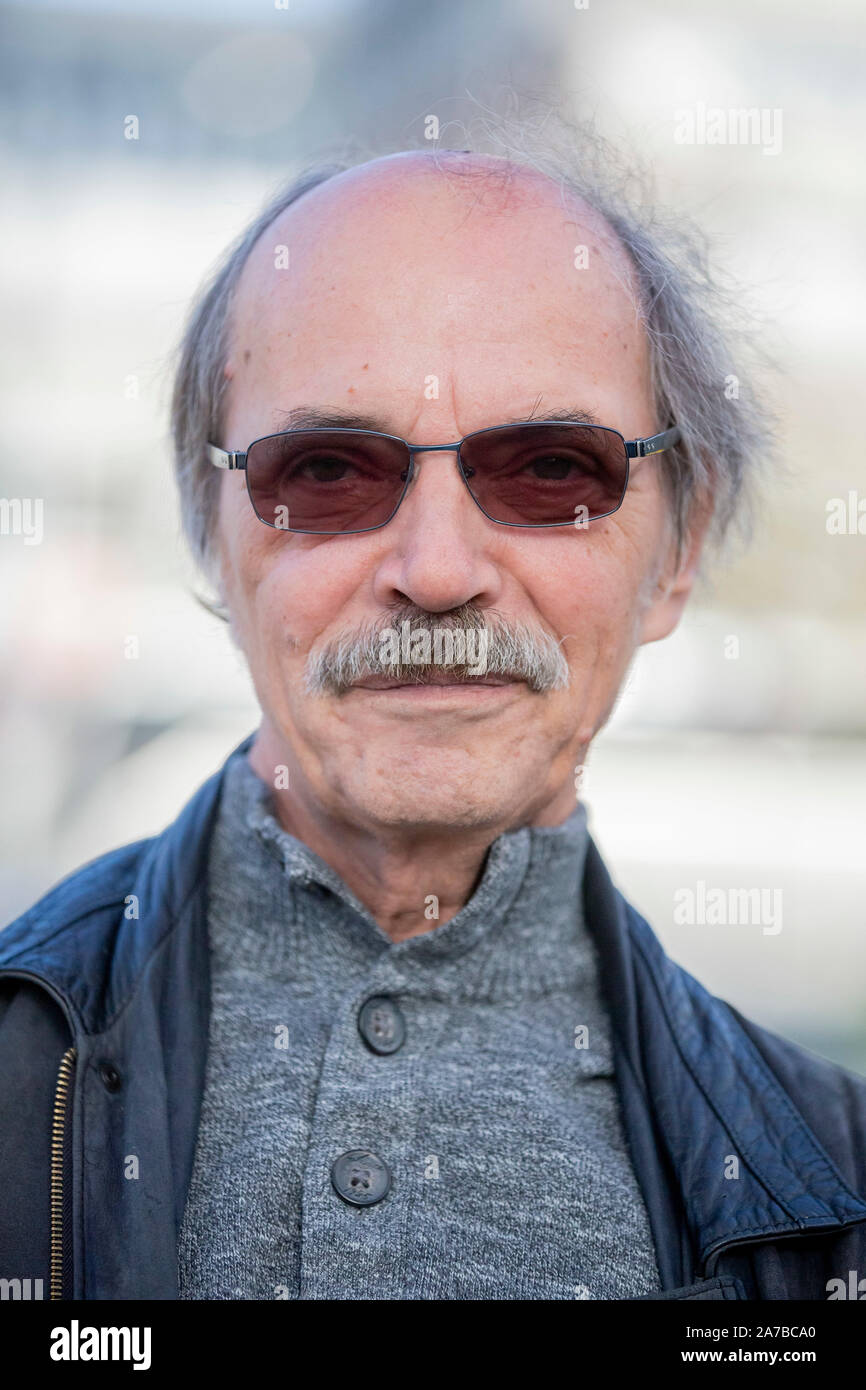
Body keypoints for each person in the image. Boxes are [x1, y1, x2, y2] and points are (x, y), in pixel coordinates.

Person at [2, 143, 864, 1302]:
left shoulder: (838, 1187)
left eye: (553, 466)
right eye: (326, 472)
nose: (439, 568)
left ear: (678, 550)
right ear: (210, 535)